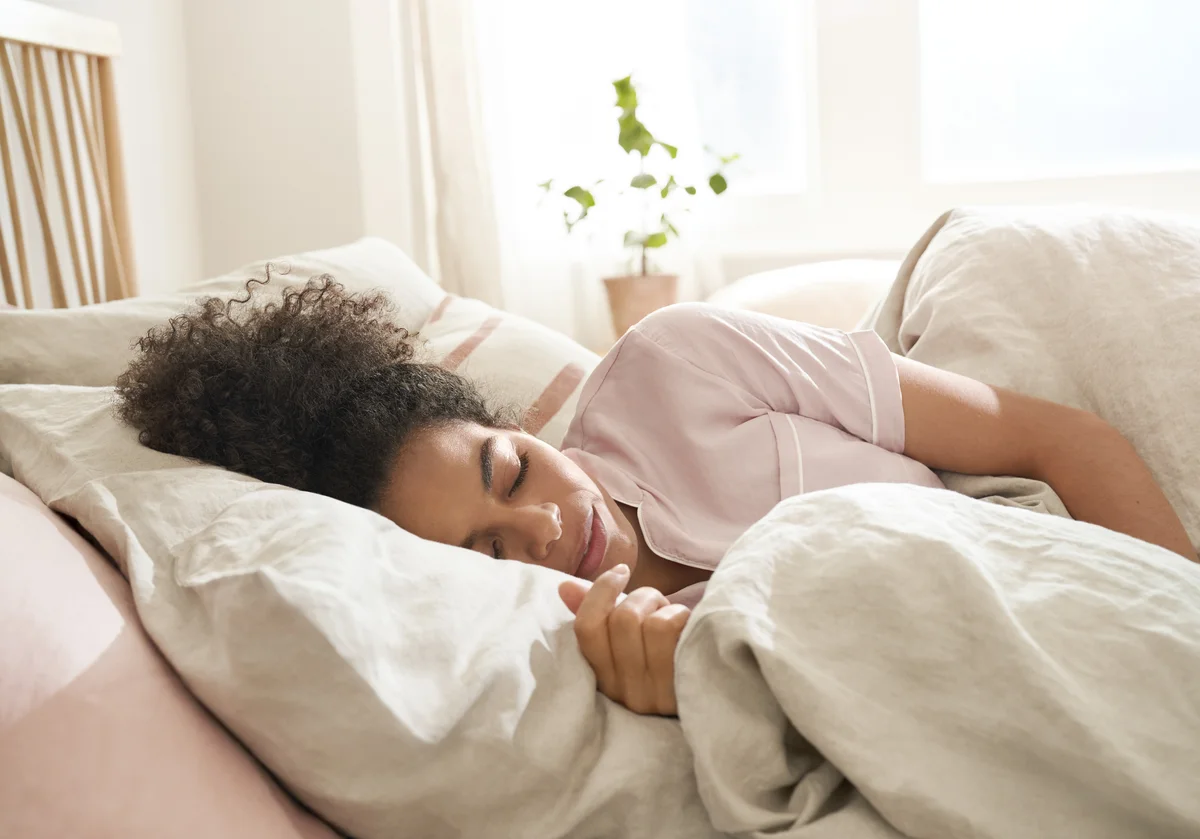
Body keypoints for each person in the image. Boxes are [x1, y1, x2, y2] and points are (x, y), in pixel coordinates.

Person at [116, 276, 1196, 717]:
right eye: (490, 555)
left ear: (521, 426)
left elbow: (1057, 434)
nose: (545, 527)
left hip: (1080, 582)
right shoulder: (577, 670)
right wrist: (713, 705)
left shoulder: (679, 364)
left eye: (512, 469)